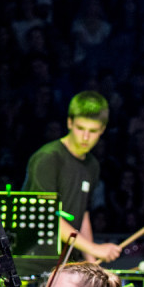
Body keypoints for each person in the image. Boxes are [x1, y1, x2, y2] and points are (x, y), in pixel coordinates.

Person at [22, 91, 122, 263]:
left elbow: (82, 215)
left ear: (102, 130)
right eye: (80, 128)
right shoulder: (48, 158)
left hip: (66, 263)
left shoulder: (92, 165)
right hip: (32, 262)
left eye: (92, 131)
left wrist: (91, 263)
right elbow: (46, 215)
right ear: (69, 122)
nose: (85, 137)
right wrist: (94, 248)